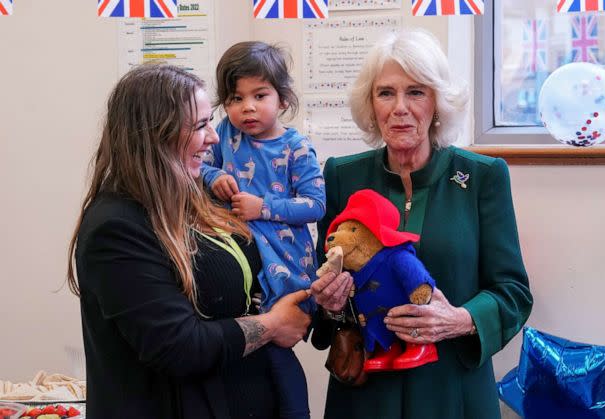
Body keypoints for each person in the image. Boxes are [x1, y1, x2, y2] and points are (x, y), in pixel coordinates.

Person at [309, 29, 533, 419]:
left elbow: (513, 292)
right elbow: (323, 281)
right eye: (386, 93)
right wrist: (328, 302)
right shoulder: (341, 176)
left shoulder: (483, 177)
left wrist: (460, 319)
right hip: (366, 391)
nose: (400, 107)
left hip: (452, 388)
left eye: (416, 92)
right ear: (370, 103)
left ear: (438, 102)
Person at [66, 63, 312, 419]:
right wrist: (273, 324)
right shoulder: (116, 226)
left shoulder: (196, 198)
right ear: (156, 135)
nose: (213, 137)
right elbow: (181, 346)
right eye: (199, 126)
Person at [201, 41, 325, 419]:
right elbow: (200, 167)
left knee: (276, 345)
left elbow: (315, 205)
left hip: (287, 263)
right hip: (241, 258)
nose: (247, 107)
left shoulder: (296, 147)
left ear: (282, 99)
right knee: (247, 343)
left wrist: (263, 207)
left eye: (260, 95)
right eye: (236, 98)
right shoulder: (224, 134)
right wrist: (214, 175)